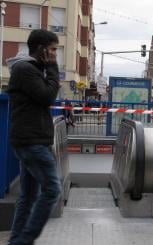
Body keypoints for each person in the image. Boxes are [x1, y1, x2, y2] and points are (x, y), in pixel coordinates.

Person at [6, 29, 61, 245]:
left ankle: (16, 240)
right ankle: (23, 241)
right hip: (32, 142)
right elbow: (47, 96)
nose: (55, 54)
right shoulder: (25, 70)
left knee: (28, 197)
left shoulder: (31, 69)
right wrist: (53, 68)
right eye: (53, 50)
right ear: (41, 49)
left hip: (31, 140)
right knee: (52, 190)